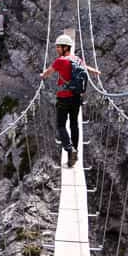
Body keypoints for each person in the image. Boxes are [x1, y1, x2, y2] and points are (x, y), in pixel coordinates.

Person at [40, 33, 100, 167]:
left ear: (64, 47)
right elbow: (86, 68)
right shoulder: (77, 59)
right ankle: (75, 153)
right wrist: (95, 71)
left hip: (63, 98)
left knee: (61, 125)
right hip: (76, 97)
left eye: (58, 47)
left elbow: (48, 73)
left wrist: (42, 75)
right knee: (74, 124)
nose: (57, 49)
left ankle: (69, 149)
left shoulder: (60, 61)